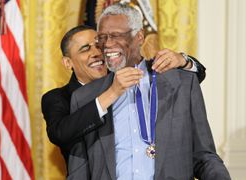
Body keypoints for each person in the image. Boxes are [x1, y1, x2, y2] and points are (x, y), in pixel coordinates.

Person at [70, 3, 230, 180]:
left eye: (116, 36)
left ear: (139, 36)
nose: (107, 44)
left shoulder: (181, 83)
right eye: (102, 37)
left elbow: (204, 157)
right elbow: (78, 172)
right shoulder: (85, 98)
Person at [42, 24, 206, 179]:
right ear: (67, 62)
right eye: (85, 49)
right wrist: (112, 93)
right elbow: (60, 133)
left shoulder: (125, 74)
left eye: (99, 46)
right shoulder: (58, 98)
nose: (96, 53)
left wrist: (184, 60)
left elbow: (188, 79)